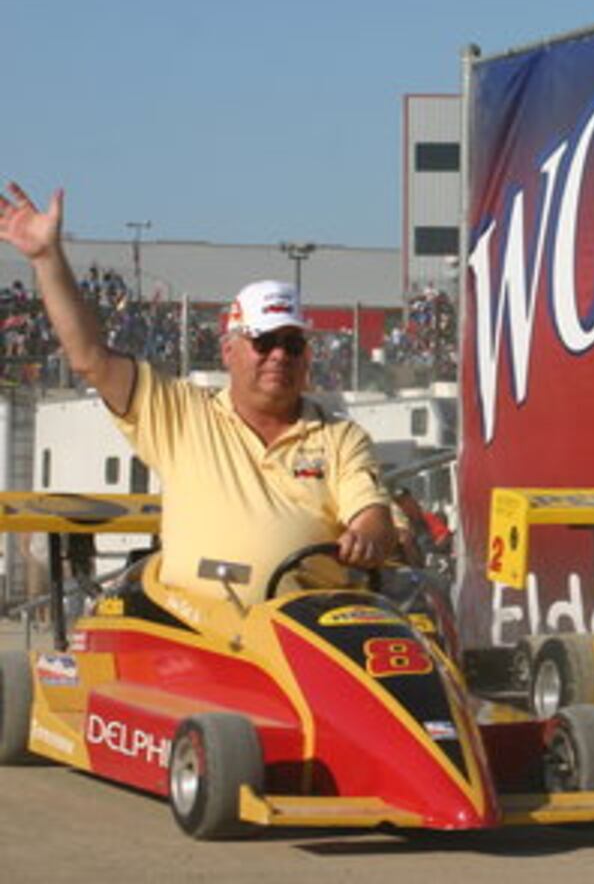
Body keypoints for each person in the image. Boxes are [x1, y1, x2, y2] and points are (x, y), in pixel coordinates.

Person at [0, 182, 397, 603]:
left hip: (303, 639)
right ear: (229, 350)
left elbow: (371, 512)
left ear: (307, 355)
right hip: (196, 643)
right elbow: (90, 359)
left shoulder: (341, 438)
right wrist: (46, 258)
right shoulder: (183, 415)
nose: (279, 355)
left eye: (292, 343)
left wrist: (371, 533)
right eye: (263, 342)